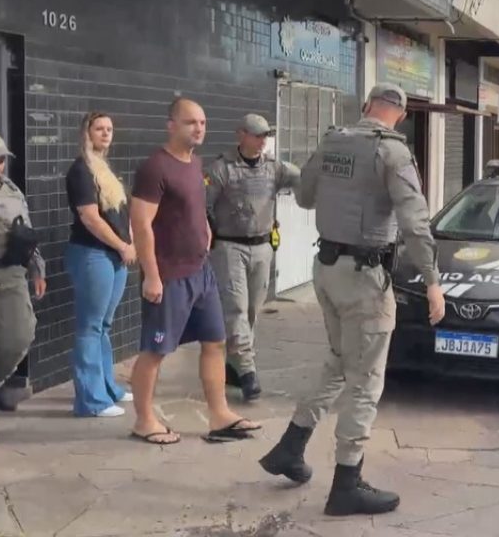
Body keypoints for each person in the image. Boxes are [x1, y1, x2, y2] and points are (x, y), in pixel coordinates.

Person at [258, 83, 445, 516]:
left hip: (325, 269)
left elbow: (304, 196)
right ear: (400, 114)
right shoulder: (393, 153)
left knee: (341, 361)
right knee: (366, 379)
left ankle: (291, 445)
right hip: (364, 278)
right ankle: (347, 483)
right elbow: (414, 221)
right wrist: (432, 280)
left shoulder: (333, 141)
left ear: (366, 107)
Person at [128, 98, 261, 445]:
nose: (199, 128)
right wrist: (152, 275)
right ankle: (144, 420)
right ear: (171, 125)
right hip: (169, 275)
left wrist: (205, 230)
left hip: (202, 272)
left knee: (216, 343)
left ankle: (219, 415)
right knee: (155, 350)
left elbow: (196, 208)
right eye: (190, 122)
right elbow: (141, 224)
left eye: (202, 122)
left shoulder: (196, 163)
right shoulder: (155, 168)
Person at [205, 114, 300, 401]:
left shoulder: (274, 168)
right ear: (241, 135)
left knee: (250, 311)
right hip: (229, 247)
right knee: (235, 307)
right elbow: (202, 204)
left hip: (262, 246)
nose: (262, 142)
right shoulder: (222, 169)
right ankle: (248, 371)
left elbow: (304, 180)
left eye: (265, 136)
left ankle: (234, 365)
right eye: (257, 135)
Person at [64, 112, 137, 418]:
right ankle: (90, 401)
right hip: (92, 254)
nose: (106, 133)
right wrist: (122, 245)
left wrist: (129, 243)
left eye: (109, 129)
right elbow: (90, 217)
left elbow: (121, 213)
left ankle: (107, 388)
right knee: (90, 326)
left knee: (103, 325)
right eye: (99, 129)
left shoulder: (103, 168)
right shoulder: (82, 170)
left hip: (114, 256)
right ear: (87, 132)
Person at [0, 133, 46, 443]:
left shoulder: (11, 190)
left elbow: (25, 231)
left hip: (11, 273)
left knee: (19, 336)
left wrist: (37, 267)